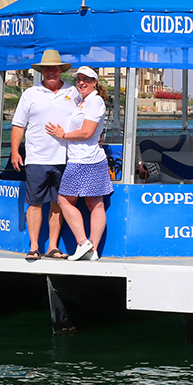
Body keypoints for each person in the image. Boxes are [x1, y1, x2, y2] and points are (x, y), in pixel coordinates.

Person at [10, 49, 80, 260]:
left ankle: (53, 246)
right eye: (47, 68)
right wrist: (14, 151)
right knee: (35, 203)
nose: (51, 72)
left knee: (59, 204)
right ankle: (33, 247)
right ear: (41, 71)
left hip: (66, 159)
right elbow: (18, 125)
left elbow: (84, 122)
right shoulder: (29, 94)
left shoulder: (73, 93)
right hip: (36, 159)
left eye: (55, 68)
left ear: (61, 70)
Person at [46, 66, 114, 261]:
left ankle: (84, 243)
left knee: (65, 201)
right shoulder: (85, 101)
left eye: (86, 79)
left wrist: (63, 135)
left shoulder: (95, 101)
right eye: (79, 79)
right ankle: (92, 251)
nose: (82, 82)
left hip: (83, 160)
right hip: (88, 158)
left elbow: (86, 132)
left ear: (95, 83)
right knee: (95, 204)